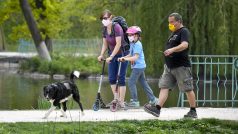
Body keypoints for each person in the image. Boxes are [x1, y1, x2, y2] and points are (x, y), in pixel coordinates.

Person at [144, 13, 198, 118]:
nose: (170, 24)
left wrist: (172, 49)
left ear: (179, 21)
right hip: (169, 67)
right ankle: (157, 109)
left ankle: (193, 111)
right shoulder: (173, 33)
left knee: (188, 88)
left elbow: (184, 45)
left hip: (181, 66)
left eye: (172, 22)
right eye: (169, 22)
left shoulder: (184, 31)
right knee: (164, 86)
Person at [118, 26, 158, 108]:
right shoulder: (133, 43)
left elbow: (135, 57)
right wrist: (124, 57)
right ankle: (153, 99)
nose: (129, 36)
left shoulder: (138, 45)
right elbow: (131, 54)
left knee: (131, 82)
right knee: (143, 83)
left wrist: (125, 59)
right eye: (128, 35)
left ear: (137, 35)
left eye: (131, 35)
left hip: (138, 67)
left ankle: (135, 101)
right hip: (139, 66)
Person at [97, 10, 129, 109]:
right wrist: (101, 54)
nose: (104, 20)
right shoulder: (104, 29)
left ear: (111, 17)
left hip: (123, 54)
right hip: (112, 54)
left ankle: (121, 102)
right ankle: (116, 99)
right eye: (102, 19)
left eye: (106, 18)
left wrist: (111, 57)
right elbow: (105, 44)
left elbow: (118, 44)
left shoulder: (117, 27)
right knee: (111, 78)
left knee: (121, 79)